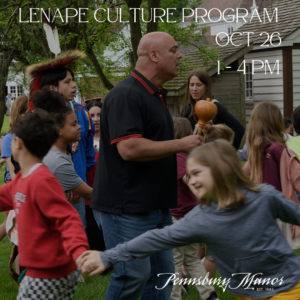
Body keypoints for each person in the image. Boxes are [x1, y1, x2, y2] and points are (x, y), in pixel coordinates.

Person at [79, 139, 300, 300]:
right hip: (245, 293)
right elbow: (155, 239)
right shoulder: (201, 219)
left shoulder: (264, 196)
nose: (191, 180)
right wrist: (108, 257)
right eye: (189, 174)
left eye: (197, 173)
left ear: (221, 169)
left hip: (288, 287)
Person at [90, 31, 202, 300]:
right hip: (126, 209)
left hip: (157, 206)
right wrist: (181, 144)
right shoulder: (126, 95)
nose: (180, 55)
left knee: (162, 280)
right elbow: (129, 148)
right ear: (153, 55)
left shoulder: (155, 94)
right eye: (174, 50)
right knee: (132, 276)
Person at [0, 110, 89, 299]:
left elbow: (68, 218)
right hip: (41, 270)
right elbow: (4, 196)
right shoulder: (24, 179)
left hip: (51, 272)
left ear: (18, 143)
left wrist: (80, 251)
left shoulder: (41, 180)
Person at [26, 50, 95, 227]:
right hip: (47, 194)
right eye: (67, 82)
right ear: (52, 88)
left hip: (76, 189)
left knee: (77, 233)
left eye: (73, 80)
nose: (74, 85)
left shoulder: (81, 113)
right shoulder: (35, 119)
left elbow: (88, 152)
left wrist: (76, 179)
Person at [170, 117, 217, 300]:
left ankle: (174, 297)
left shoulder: (178, 157)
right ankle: (209, 294)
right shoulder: (192, 157)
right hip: (192, 217)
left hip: (178, 217)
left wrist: (201, 196)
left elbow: (187, 179)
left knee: (174, 261)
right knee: (191, 259)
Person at [243, 102, 300, 249]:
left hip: (258, 213)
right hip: (279, 214)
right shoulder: (281, 150)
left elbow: (240, 176)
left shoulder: (256, 151)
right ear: (276, 122)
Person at [32, 88, 93, 202]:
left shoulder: (55, 152)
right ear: (59, 130)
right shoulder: (58, 161)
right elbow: (88, 193)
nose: (79, 127)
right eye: (74, 124)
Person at [180, 69, 245, 150]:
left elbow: (239, 129)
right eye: (192, 85)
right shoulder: (186, 109)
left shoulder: (215, 107)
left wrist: (231, 153)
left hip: (212, 158)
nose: (194, 89)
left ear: (206, 87)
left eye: (199, 85)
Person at [84, 99, 106, 251]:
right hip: (88, 192)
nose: (96, 119)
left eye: (99, 114)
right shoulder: (83, 140)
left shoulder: (110, 137)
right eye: (92, 115)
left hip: (108, 192)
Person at [1, 95, 28, 183]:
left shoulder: (34, 136)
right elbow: (13, 174)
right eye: (24, 113)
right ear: (17, 114)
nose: (29, 116)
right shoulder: (8, 139)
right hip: (15, 183)